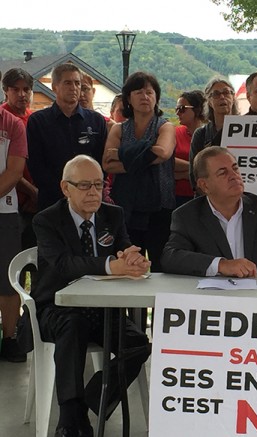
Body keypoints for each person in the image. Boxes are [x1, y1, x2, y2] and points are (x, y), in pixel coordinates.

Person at [30, 155, 151, 437]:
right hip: (56, 307)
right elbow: (63, 264)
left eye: (98, 184)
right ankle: (71, 420)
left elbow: (123, 246)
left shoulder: (113, 214)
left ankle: (90, 399)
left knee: (139, 343)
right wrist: (111, 265)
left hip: (102, 307)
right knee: (73, 325)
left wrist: (132, 258)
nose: (93, 192)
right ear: (65, 188)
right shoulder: (46, 220)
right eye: (84, 186)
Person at [162, 146, 257, 277]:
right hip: (214, 302)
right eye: (223, 172)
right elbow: (170, 258)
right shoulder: (187, 215)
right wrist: (222, 265)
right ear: (204, 185)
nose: (234, 176)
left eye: (235, 168)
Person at [102, 71, 176, 272]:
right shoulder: (119, 129)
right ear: (128, 98)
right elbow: (107, 164)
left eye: (150, 92)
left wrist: (121, 153)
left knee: (161, 267)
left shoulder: (165, 126)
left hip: (160, 207)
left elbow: (163, 152)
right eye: (139, 92)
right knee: (129, 266)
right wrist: (146, 152)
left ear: (157, 98)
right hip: (127, 208)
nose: (145, 97)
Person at [27, 63, 107, 211]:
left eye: (77, 83)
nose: (74, 88)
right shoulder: (38, 121)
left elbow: (102, 162)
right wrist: (67, 192)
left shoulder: (96, 121)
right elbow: (36, 165)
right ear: (54, 87)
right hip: (52, 202)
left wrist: (87, 190)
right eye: (68, 83)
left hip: (89, 199)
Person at [0, 84, 27, 363]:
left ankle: (9, 338)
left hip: (5, 212)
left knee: (7, 281)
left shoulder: (12, 124)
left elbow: (15, 170)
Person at [1, 68, 38, 255]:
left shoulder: (36, 119)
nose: (22, 94)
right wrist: (32, 192)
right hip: (11, 200)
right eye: (15, 89)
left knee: (32, 257)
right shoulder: (5, 120)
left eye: (26, 89)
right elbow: (11, 169)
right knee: (13, 259)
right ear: (6, 91)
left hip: (34, 202)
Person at [188, 77, 239, 189]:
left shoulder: (247, 130)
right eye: (216, 94)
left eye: (226, 92)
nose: (222, 97)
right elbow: (194, 174)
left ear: (233, 97)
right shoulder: (201, 134)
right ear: (209, 101)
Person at [175, 90, 206, 206]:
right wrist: (197, 170)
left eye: (182, 108)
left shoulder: (208, 134)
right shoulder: (174, 133)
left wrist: (184, 174)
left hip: (203, 195)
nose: (178, 113)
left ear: (197, 109)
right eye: (176, 109)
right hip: (177, 196)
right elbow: (168, 162)